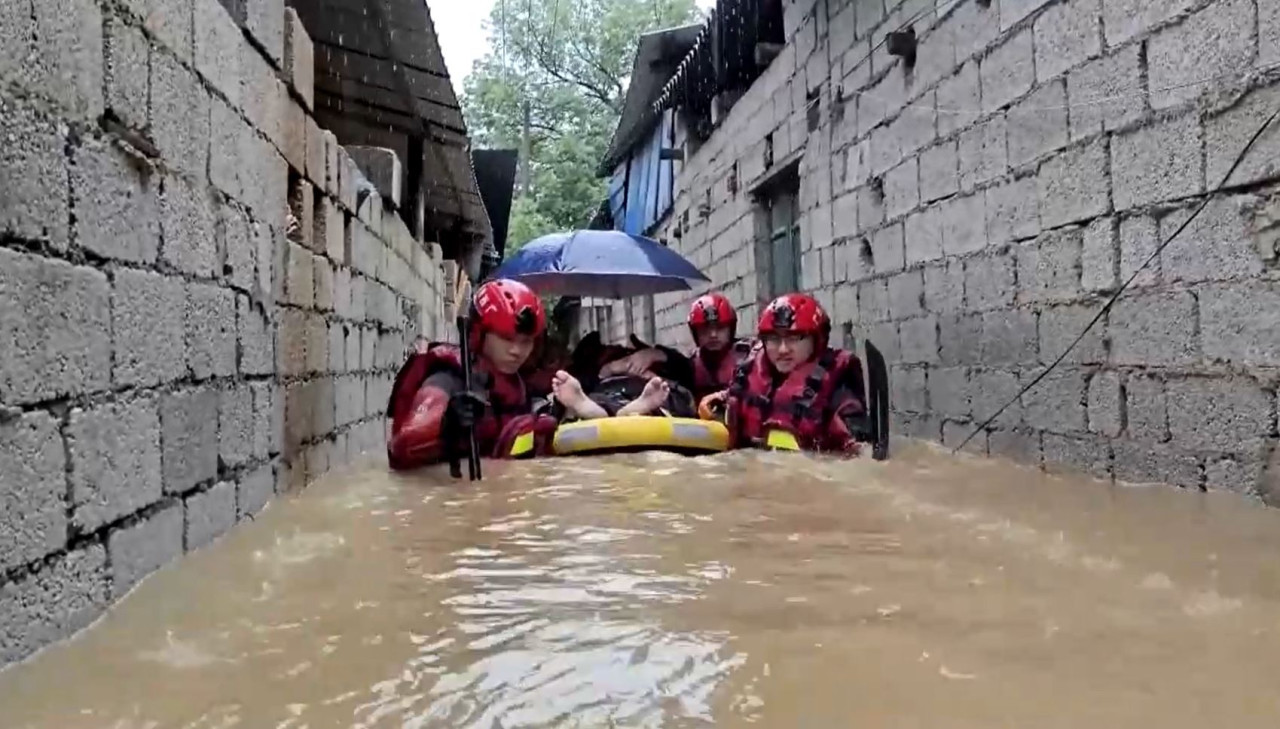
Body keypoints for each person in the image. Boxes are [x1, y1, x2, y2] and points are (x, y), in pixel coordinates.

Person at [385, 279, 558, 470]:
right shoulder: (448, 380)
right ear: (479, 335)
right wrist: (446, 424)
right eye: (506, 338)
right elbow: (400, 447)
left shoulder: (519, 385)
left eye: (526, 341)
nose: (517, 350)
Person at [702, 292, 874, 456]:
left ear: (817, 340)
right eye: (774, 339)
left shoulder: (839, 391)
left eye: (794, 338)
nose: (783, 349)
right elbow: (743, 395)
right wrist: (722, 397)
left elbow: (859, 454)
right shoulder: (749, 369)